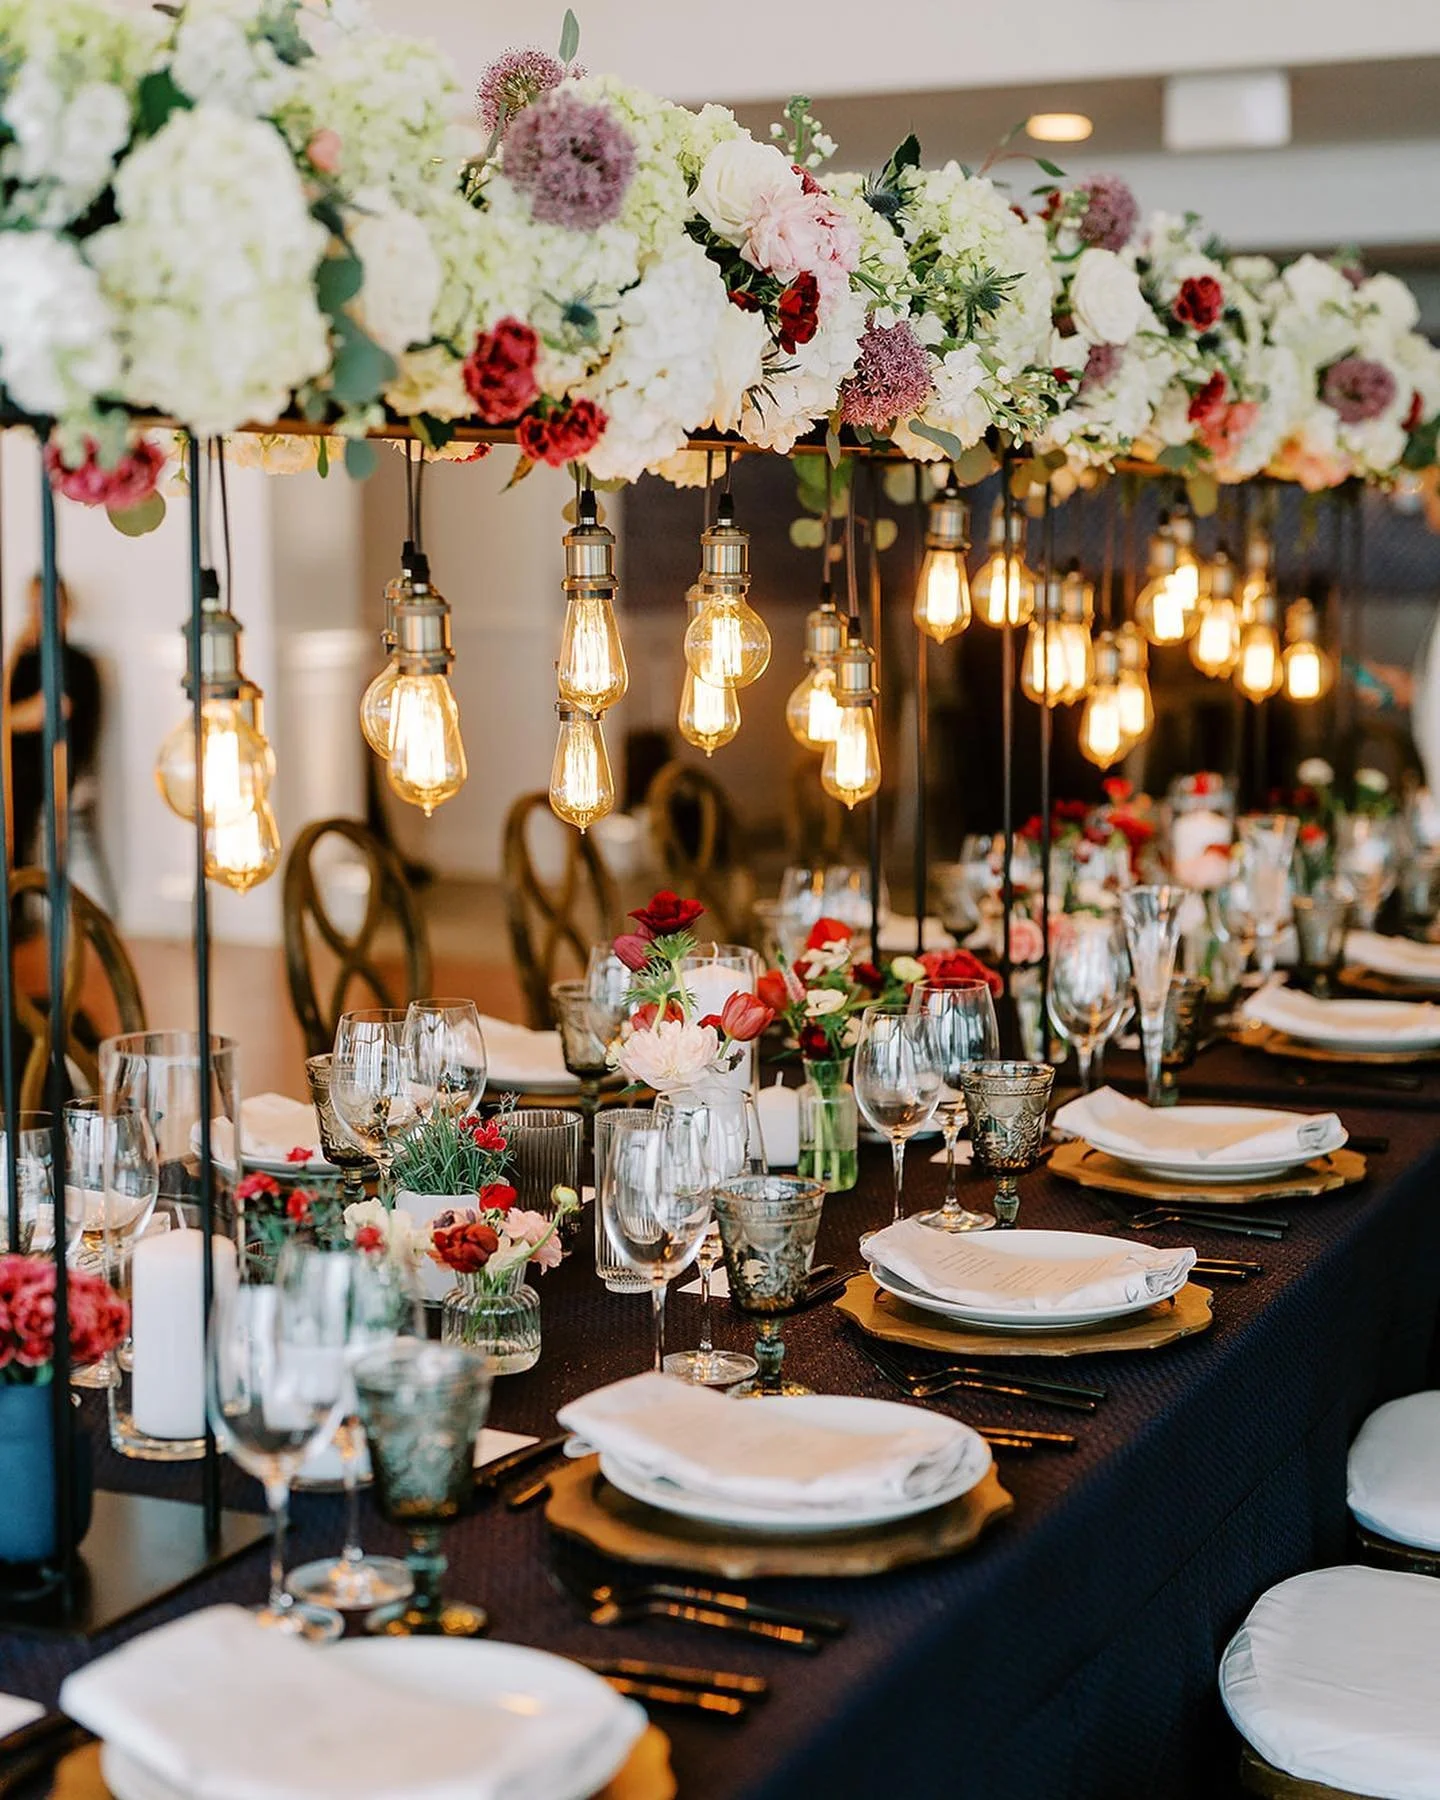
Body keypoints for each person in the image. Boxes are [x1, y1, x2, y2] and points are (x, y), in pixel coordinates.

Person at [5, 576, 103, 869]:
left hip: (53, 763)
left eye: (46, 605)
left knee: (14, 790)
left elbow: (43, 713)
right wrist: (17, 648)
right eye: (33, 606)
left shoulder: (76, 663)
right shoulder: (24, 661)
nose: (39, 614)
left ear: (66, 609)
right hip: (17, 759)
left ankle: (15, 888)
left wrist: (10, 719)